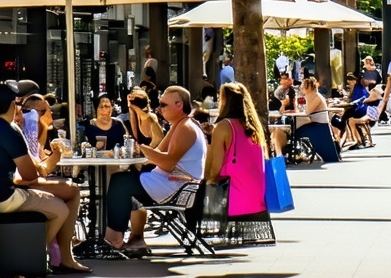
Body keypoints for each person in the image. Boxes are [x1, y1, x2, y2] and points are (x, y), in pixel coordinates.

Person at [0, 82, 90, 273]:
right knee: (60, 209)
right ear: (13, 106)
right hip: (5, 196)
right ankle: (35, 254)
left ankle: (45, 255)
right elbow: (30, 175)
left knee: (62, 195)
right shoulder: (9, 131)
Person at [103, 86, 206, 253]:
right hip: (173, 183)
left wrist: (141, 148)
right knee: (124, 179)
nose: (159, 108)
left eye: (164, 105)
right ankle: (125, 237)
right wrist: (142, 152)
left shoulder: (186, 127)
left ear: (179, 105)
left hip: (175, 187)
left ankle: (113, 238)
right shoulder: (180, 125)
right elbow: (157, 155)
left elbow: (167, 163)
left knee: (120, 182)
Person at [204, 82, 268, 218]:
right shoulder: (254, 127)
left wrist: (205, 179)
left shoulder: (223, 126)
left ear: (225, 100)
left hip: (232, 198)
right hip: (257, 198)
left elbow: (215, 168)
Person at [292, 76, 340, 163]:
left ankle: (297, 152)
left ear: (308, 87)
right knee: (297, 131)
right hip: (318, 125)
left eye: (303, 86)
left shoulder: (313, 96)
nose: (302, 89)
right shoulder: (313, 95)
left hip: (319, 126)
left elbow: (307, 111)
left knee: (296, 132)